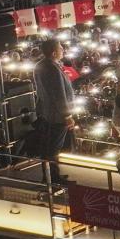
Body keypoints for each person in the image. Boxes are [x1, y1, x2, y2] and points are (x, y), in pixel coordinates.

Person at [30, 38, 74, 187]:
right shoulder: (52, 69)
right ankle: (52, 178)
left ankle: (52, 175)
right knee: (53, 148)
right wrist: (67, 115)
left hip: (47, 113)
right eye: (61, 48)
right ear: (54, 53)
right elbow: (59, 95)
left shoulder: (40, 65)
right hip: (57, 116)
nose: (63, 50)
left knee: (50, 147)